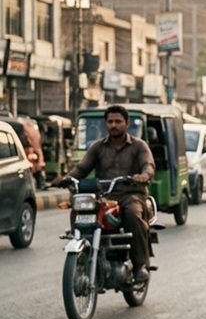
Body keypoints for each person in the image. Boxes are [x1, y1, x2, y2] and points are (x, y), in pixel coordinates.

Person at [59, 105, 155, 283]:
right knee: (79, 209)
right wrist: (67, 178)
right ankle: (82, 254)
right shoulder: (98, 147)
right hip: (105, 197)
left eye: (118, 121)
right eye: (110, 122)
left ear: (126, 123)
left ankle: (141, 264)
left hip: (131, 195)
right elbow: (82, 168)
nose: (114, 125)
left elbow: (148, 165)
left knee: (133, 214)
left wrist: (143, 176)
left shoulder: (139, 146)